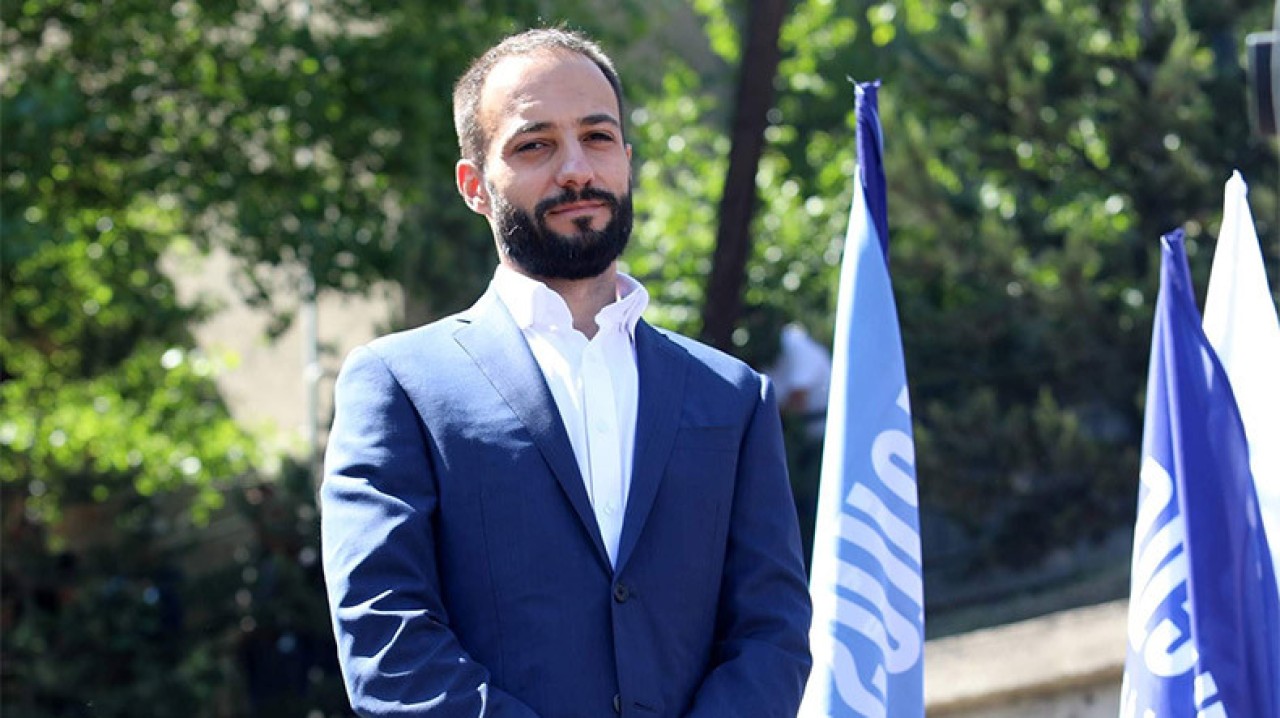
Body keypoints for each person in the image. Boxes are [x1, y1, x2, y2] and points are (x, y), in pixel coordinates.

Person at [320, 28, 812, 718]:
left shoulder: (732, 397)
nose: (576, 169)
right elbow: (387, 642)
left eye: (597, 137)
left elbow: (772, 632)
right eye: (535, 145)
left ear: (627, 161)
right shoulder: (399, 387)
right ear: (474, 186)